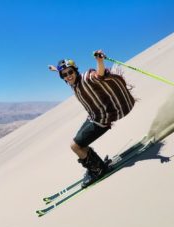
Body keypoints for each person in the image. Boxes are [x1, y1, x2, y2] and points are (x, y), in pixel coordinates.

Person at [49, 50, 135, 188]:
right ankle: (97, 165)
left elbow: (99, 74)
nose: (68, 76)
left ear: (75, 71)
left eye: (70, 72)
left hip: (102, 119)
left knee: (74, 146)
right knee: (79, 144)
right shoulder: (74, 83)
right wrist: (55, 69)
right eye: (64, 75)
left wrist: (99, 61)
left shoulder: (86, 79)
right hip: (93, 117)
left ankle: (98, 170)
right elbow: (63, 73)